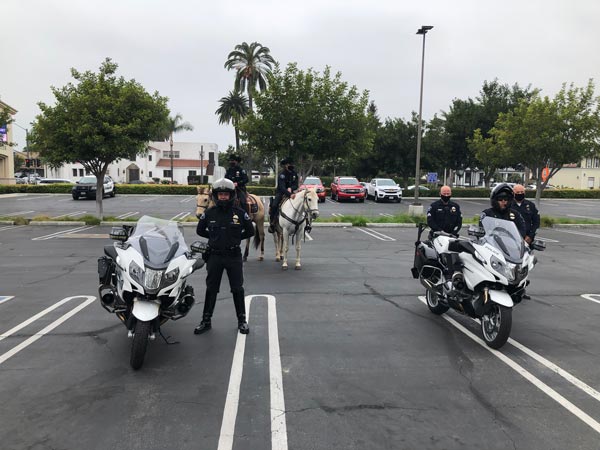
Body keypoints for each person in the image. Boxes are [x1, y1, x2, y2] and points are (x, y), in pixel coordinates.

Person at [194, 178, 255, 335]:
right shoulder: (209, 213)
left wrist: (235, 239)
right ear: (216, 195)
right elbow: (200, 230)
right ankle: (206, 321)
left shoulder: (239, 213)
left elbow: (250, 231)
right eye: (220, 194)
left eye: (226, 194)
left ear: (231, 195)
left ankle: (242, 321)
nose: (223, 197)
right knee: (211, 289)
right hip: (214, 256)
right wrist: (214, 238)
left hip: (233, 256)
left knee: (237, 289)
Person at [427, 185, 464, 286]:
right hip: (438, 235)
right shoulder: (434, 206)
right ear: (440, 194)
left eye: (448, 194)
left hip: (451, 236)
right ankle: (446, 274)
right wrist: (439, 231)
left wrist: (454, 233)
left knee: (456, 253)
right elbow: (430, 221)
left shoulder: (455, 207)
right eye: (444, 194)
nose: (446, 196)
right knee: (443, 254)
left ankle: (457, 273)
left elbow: (459, 222)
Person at [511, 184, 540, 300]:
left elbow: (536, 222)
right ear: (513, 193)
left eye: (521, 192)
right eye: (517, 193)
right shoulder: (509, 205)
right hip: (511, 240)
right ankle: (510, 288)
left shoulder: (530, 205)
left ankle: (521, 289)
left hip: (526, 240)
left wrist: (530, 236)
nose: (520, 194)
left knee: (525, 265)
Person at [268, 157, 299, 233]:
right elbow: (282, 187)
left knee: (301, 203)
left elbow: (296, 185)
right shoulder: (282, 175)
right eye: (288, 164)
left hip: (291, 192)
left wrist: (291, 188)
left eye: (291, 164)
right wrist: (289, 194)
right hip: (281, 193)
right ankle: (272, 222)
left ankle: (304, 222)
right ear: (285, 165)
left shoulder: (294, 174)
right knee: (274, 205)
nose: (290, 165)